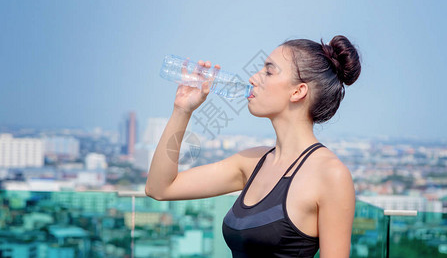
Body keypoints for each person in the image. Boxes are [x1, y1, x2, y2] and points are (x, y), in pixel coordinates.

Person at [145, 35, 361, 258]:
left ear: (298, 91)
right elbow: (159, 188)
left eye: (269, 71)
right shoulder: (252, 162)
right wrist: (182, 110)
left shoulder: (330, 175)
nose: (252, 78)